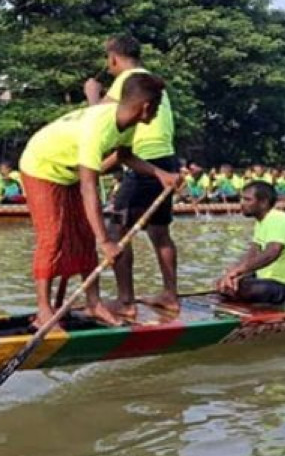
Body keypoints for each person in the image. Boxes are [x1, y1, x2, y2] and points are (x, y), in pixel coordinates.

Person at [19, 72, 178, 329]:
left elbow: (124, 155)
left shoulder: (128, 122)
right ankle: (44, 311)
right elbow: (89, 187)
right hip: (41, 167)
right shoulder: (97, 131)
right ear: (147, 107)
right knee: (53, 236)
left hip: (68, 172)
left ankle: (94, 303)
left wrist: (159, 173)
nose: (159, 111)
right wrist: (106, 240)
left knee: (84, 235)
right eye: (158, 106)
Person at [86, 35, 181, 315]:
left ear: (113, 58)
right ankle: (170, 295)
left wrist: (92, 94)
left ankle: (126, 302)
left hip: (145, 162)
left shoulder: (129, 81)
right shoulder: (152, 80)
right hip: (166, 160)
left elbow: (98, 121)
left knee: (116, 231)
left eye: (108, 60)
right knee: (159, 232)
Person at [215, 182, 285, 304]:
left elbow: (272, 252)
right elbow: (252, 254)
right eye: (241, 199)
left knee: (245, 288)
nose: (241, 203)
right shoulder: (261, 222)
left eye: (247, 199)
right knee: (223, 283)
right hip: (272, 281)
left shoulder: (278, 219)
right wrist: (232, 273)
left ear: (263, 202)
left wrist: (238, 271)